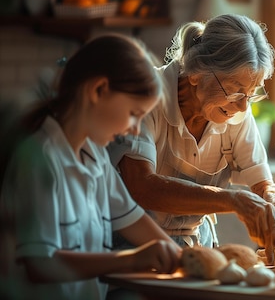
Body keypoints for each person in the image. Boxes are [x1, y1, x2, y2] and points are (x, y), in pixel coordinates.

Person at [107, 14, 275, 263]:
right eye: (235, 90)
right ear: (196, 73)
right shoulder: (147, 94)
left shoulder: (236, 110)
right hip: (132, 248)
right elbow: (141, 185)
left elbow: (262, 185)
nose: (242, 106)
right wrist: (231, 199)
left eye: (251, 94)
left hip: (198, 245)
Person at [0, 34, 182, 300]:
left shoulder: (95, 154)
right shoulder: (39, 157)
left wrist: (182, 261)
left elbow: (133, 220)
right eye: (134, 114)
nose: (134, 130)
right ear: (98, 90)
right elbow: (40, 264)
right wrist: (130, 260)